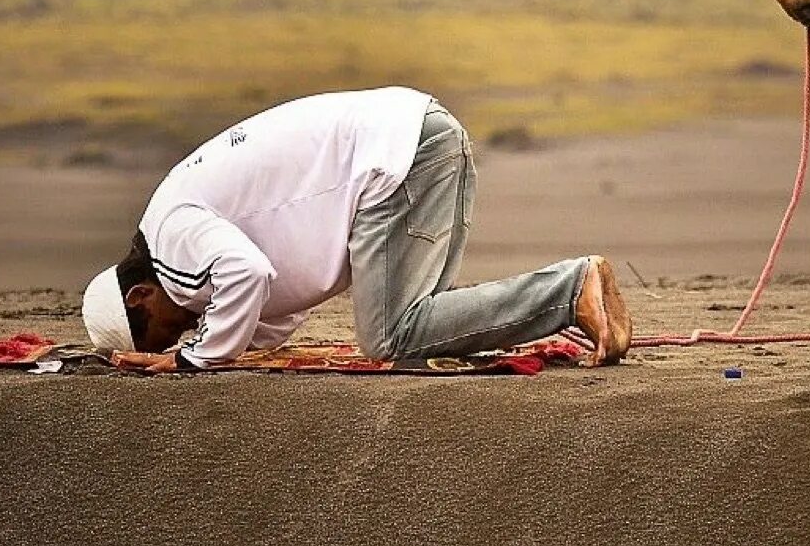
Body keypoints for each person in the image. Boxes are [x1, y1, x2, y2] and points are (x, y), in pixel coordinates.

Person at [84, 85, 632, 371]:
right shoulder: (178, 221)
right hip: (420, 137)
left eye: (162, 331)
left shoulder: (171, 237)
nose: (178, 333)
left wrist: (193, 358)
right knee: (418, 328)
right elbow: (274, 298)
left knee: (390, 337)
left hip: (397, 157)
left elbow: (245, 275)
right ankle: (580, 294)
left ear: (139, 295)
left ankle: (570, 290)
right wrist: (236, 348)